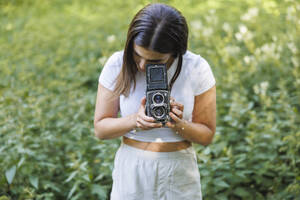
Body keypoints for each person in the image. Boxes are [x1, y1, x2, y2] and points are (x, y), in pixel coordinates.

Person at [94, 3, 216, 200]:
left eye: (155, 61)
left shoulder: (196, 68)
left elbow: (206, 136)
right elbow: (100, 129)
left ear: (176, 52)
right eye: (137, 55)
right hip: (132, 171)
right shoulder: (117, 64)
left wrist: (178, 124)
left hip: (179, 172)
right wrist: (136, 120)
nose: (142, 66)